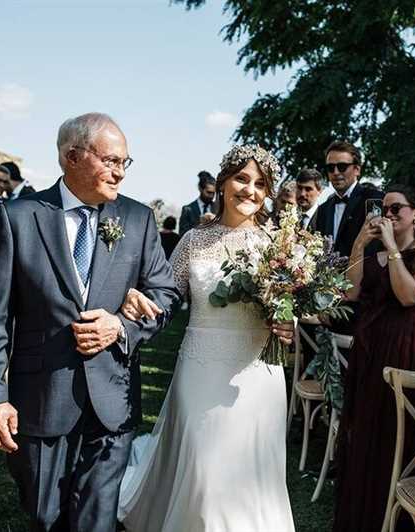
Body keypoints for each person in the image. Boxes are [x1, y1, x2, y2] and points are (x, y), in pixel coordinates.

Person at [0, 113, 181, 532]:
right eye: (111, 160)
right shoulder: (20, 218)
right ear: (72, 156)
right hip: (40, 400)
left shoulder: (138, 220)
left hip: (112, 401)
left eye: (126, 162)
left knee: (96, 521)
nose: (120, 172)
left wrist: (121, 326)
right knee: (45, 516)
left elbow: (167, 295)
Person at [119, 144, 295, 532]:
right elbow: (166, 297)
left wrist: (288, 325)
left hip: (256, 375)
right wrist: (137, 302)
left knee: (249, 470)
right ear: (223, 183)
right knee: (203, 468)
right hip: (199, 370)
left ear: (268, 194)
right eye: (242, 179)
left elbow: (287, 310)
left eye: (260, 184)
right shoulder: (194, 240)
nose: (250, 190)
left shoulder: (277, 245)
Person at [333, 185, 415, 532]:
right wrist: (358, 243)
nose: (389, 214)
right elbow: (350, 292)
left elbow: (409, 294)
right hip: (369, 349)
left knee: (394, 428)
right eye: (384, 208)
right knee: (365, 427)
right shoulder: (374, 254)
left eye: (396, 208)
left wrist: (391, 249)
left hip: (404, 349)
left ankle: (397, 517)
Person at [314, 140, 384, 258]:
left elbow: (376, 245)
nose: (335, 172)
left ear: (357, 169)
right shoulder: (323, 209)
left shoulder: (374, 199)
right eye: (330, 168)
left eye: (342, 167)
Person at [179, 170, 216, 236]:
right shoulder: (187, 210)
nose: (211, 196)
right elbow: (182, 235)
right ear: (200, 189)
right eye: (209, 192)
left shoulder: (218, 208)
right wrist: (200, 225)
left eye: (213, 193)